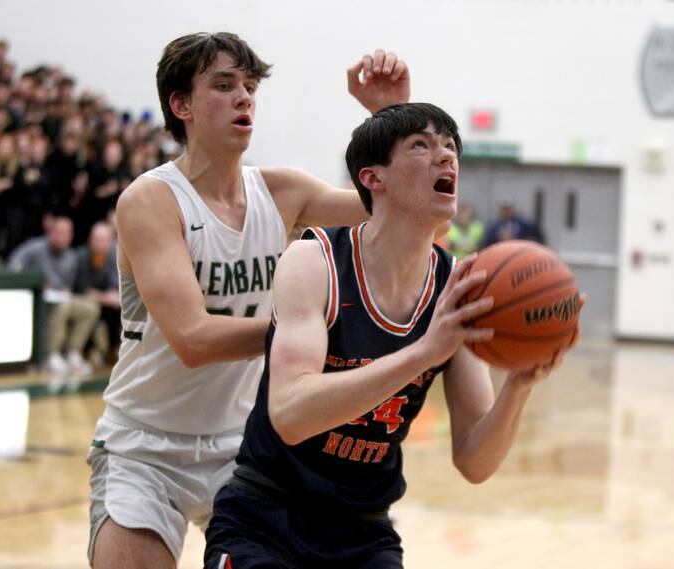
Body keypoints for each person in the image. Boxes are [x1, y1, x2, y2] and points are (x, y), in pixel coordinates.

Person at [203, 103, 580, 568]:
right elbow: (290, 414)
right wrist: (423, 353)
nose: (446, 157)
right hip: (267, 518)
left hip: (364, 532)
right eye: (422, 146)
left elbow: (475, 462)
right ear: (372, 178)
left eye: (450, 147)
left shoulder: (462, 289)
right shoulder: (315, 261)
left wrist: (518, 388)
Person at [87, 32, 411, 569]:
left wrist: (391, 115)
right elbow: (193, 339)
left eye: (250, 86)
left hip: (246, 452)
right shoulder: (151, 199)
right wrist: (307, 333)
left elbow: (393, 211)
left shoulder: (282, 193)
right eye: (223, 85)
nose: (243, 97)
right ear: (181, 105)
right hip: (144, 449)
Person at [7, 216, 99, 374]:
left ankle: (73, 352)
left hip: (59, 298)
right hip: (37, 301)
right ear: (51, 232)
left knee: (90, 307)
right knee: (62, 306)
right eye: (58, 232)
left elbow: (67, 286)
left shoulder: (71, 257)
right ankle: (51, 355)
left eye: (66, 233)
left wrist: (64, 290)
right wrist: (33, 283)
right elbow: (12, 266)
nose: (61, 237)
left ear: (71, 236)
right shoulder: (34, 248)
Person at [74, 221, 121, 366]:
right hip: (82, 301)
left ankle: (114, 350)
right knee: (92, 309)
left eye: (104, 240)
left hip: (104, 303)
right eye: (97, 239)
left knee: (118, 310)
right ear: (90, 240)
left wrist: (109, 297)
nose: (100, 244)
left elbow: (115, 288)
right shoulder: (81, 257)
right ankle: (86, 351)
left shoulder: (113, 256)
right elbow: (84, 290)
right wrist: (106, 297)